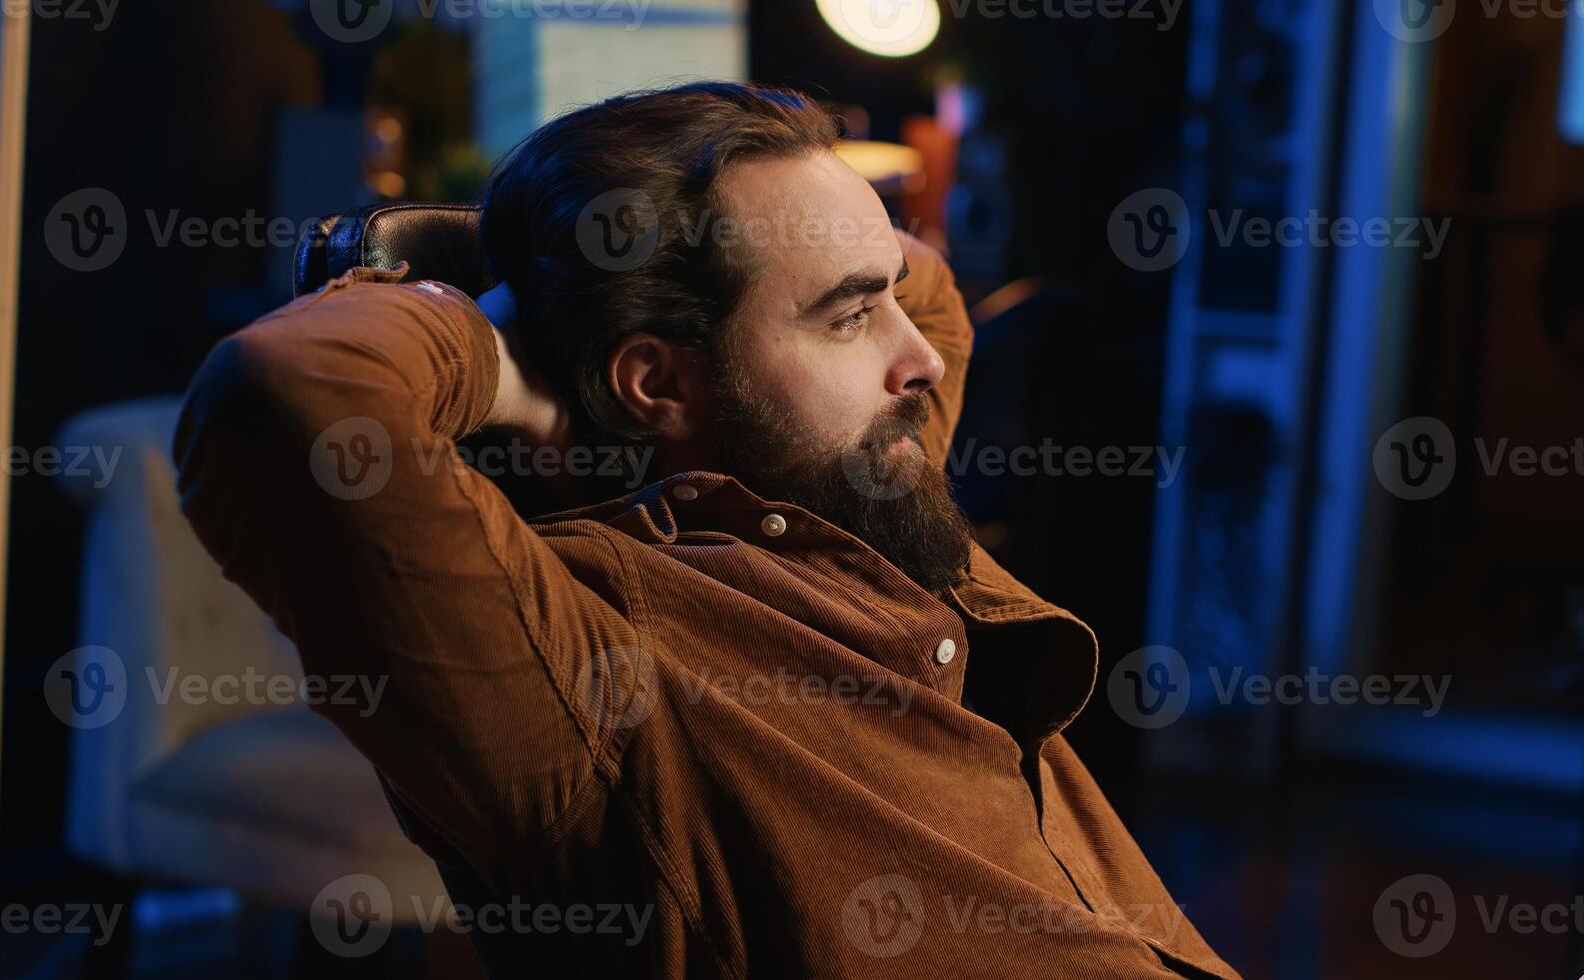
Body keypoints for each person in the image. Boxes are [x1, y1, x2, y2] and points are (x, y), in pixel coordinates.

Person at [173, 80, 1240, 979]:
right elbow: (291, 394)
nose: (918, 358)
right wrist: (488, 337)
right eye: (848, 315)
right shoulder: (594, 665)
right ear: (657, 382)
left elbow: (933, 298)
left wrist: (805, 235)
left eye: (879, 299)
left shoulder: (867, 488)